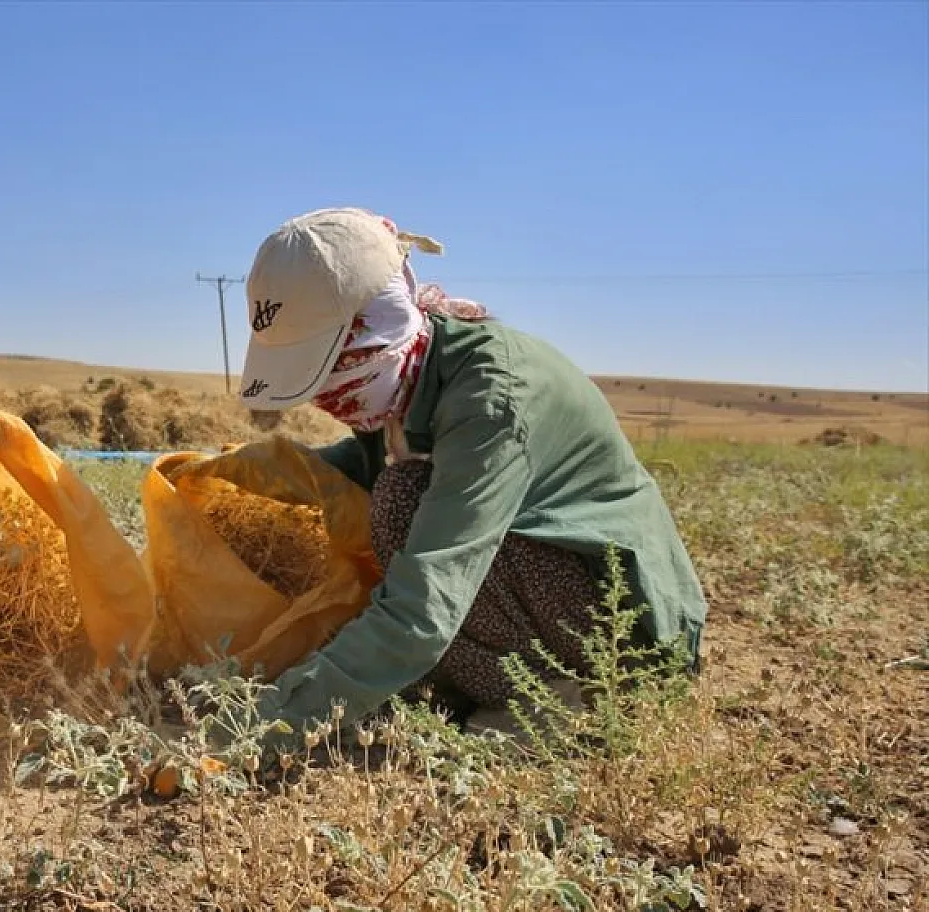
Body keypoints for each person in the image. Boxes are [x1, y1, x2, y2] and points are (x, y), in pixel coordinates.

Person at [236, 207, 707, 738]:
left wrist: (267, 726)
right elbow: (359, 468)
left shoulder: (490, 401)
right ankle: (472, 685)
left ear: (370, 336)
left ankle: (578, 695)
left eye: (327, 376)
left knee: (401, 503)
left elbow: (426, 603)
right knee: (394, 497)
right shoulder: (408, 379)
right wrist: (261, 470)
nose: (325, 402)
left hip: (620, 626)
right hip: (546, 596)